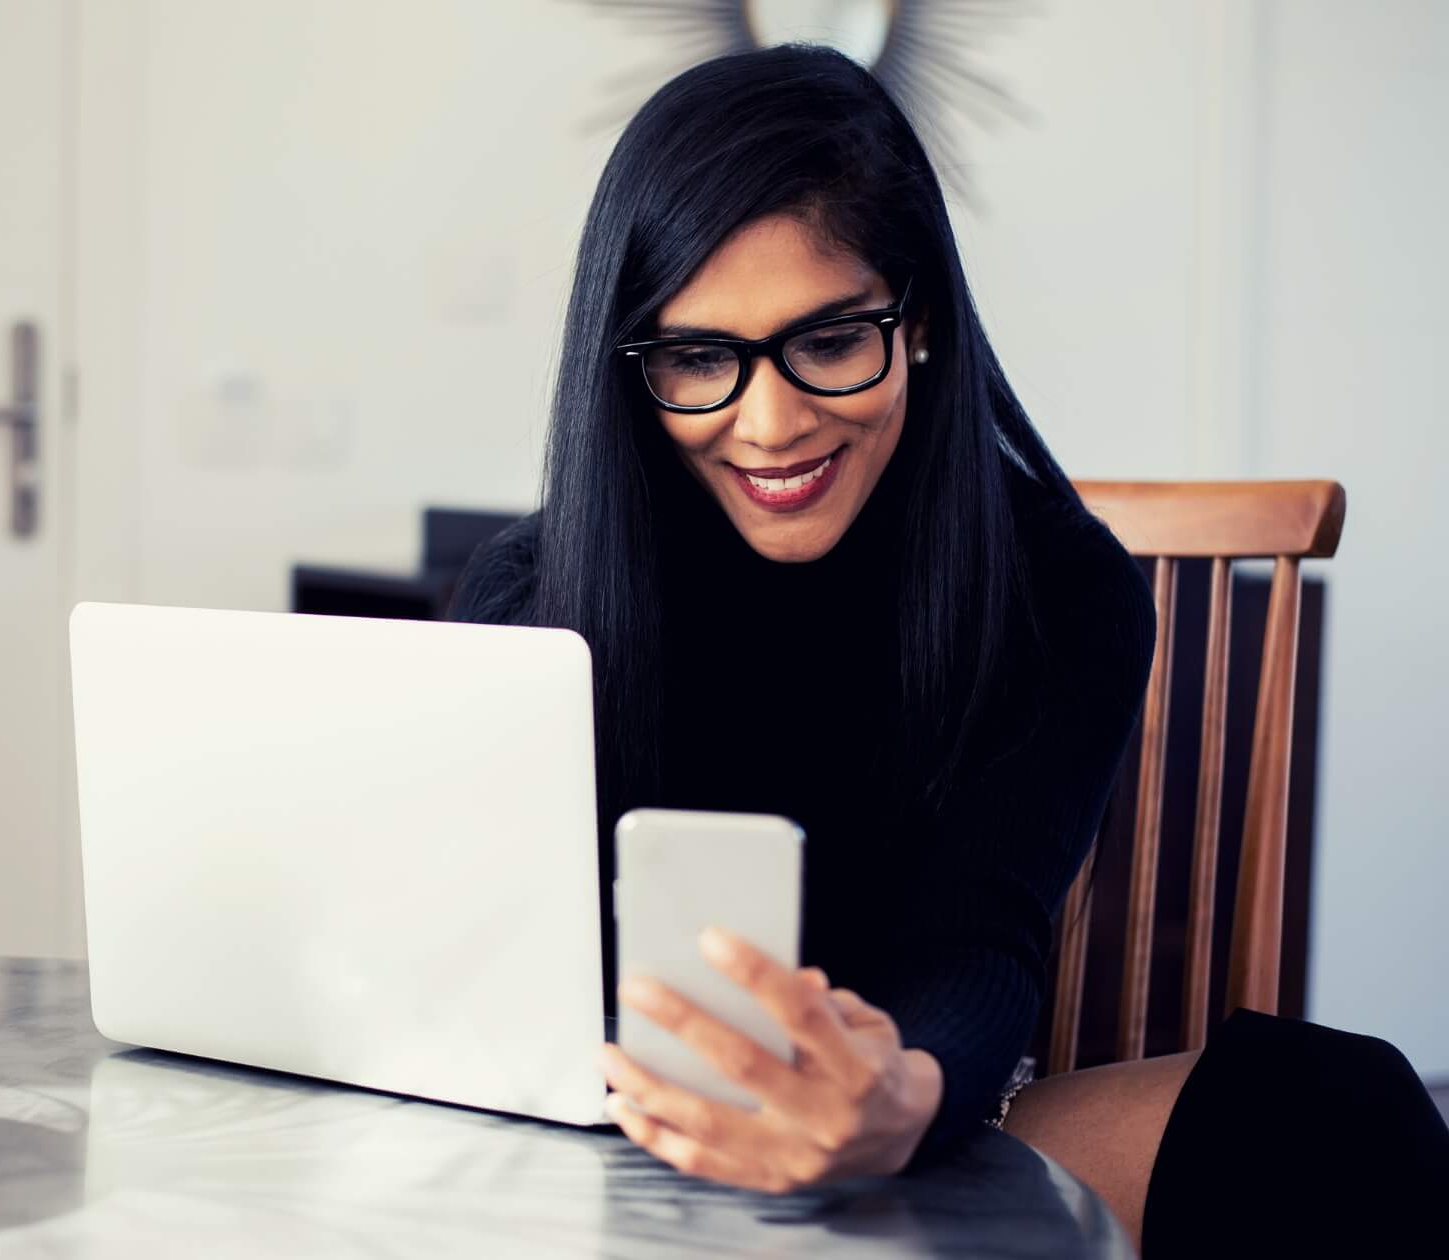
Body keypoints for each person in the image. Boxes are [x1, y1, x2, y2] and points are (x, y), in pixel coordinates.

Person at [447, 43, 1449, 1255]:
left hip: (922, 1118)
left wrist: (899, 1095)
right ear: (633, 369)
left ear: (915, 321)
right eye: (699, 359)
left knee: (1336, 1110)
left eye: (826, 340)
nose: (768, 426)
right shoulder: (532, 591)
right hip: (589, 1138)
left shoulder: (1055, 590)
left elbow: (982, 928)